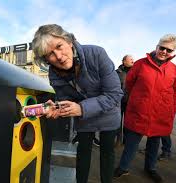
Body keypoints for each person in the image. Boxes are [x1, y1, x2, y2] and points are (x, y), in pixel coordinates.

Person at [32, 24, 123, 183]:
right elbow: (65, 99)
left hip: (108, 114)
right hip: (84, 119)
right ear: (46, 60)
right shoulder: (53, 74)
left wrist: (81, 108)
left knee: (107, 153)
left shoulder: (97, 54)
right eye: (50, 55)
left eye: (59, 46)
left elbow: (114, 94)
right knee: (83, 153)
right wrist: (57, 109)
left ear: (69, 41)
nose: (59, 56)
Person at [114, 34, 176, 183]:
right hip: (139, 113)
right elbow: (129, 84)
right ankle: (123, 167)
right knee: (131, 143)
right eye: (162, 47)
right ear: (157, 47)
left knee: (154, 144)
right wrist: (137, 101)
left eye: (168, 50)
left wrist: (171, 111)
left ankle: (150, 168)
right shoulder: (140, 64)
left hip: (160, 114)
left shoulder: (174, 70)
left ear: (173, 53)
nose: (164, 51)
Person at [115, 54, 134, 146]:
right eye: (130, 59)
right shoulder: (116, 72)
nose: (133, 61)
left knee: (128, 123)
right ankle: (117, 140)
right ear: (124, 61)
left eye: (133, 59)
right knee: (118, 121)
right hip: (119, 101)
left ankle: (126, 142)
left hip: (130, 102)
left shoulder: (135, 72)